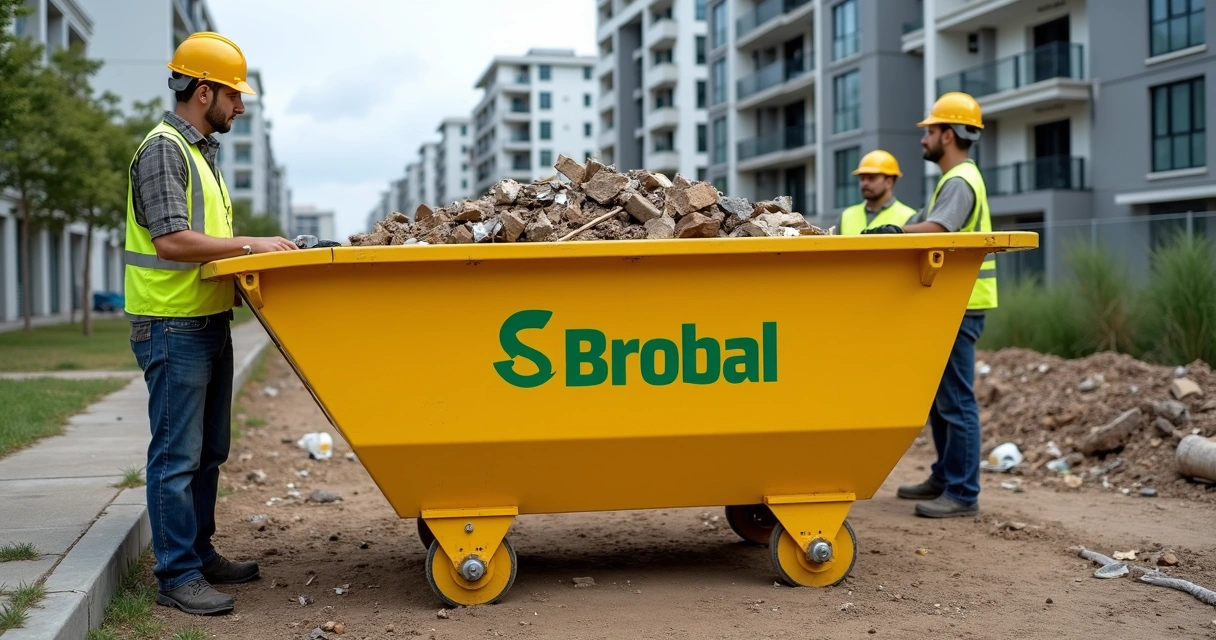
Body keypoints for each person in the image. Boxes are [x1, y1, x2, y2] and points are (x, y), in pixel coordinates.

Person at [125, 31, 298, 615]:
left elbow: (207, 247)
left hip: (203, 320)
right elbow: (173, 242)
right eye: (234, 95)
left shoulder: (199, 153)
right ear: (204, 92)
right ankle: (176, 576)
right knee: (176, 456)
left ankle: (196, 552)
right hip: (172, 325)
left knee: (208, 451)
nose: (240, 107)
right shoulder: (164, 150)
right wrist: (252, 245)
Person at [862, 92, 997, 518]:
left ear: (950, 134)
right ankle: (945, 476)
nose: (924, 139)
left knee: (956, 400)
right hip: (952, 304)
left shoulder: (960, 181)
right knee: (942, 397)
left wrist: (893, 234)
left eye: (931, 131)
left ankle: (962, 492)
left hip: (962, 304)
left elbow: (939, 228)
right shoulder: (954, 180)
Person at [837, 150, 919, 235]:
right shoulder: (846, 216)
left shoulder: (909, 217)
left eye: (871, 178)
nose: (865, 183)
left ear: (889, 182)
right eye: (862, 178)